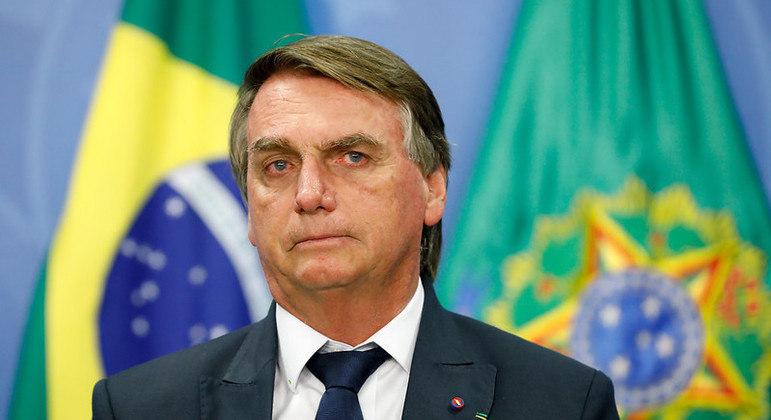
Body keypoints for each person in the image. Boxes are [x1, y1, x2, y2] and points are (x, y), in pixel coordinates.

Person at [92, 35, 619, 419]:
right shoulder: (140, 407)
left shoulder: (561, 403)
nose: (309, 195)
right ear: (250, 208)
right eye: (278, 165)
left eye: (352, 157)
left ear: (432, 188)